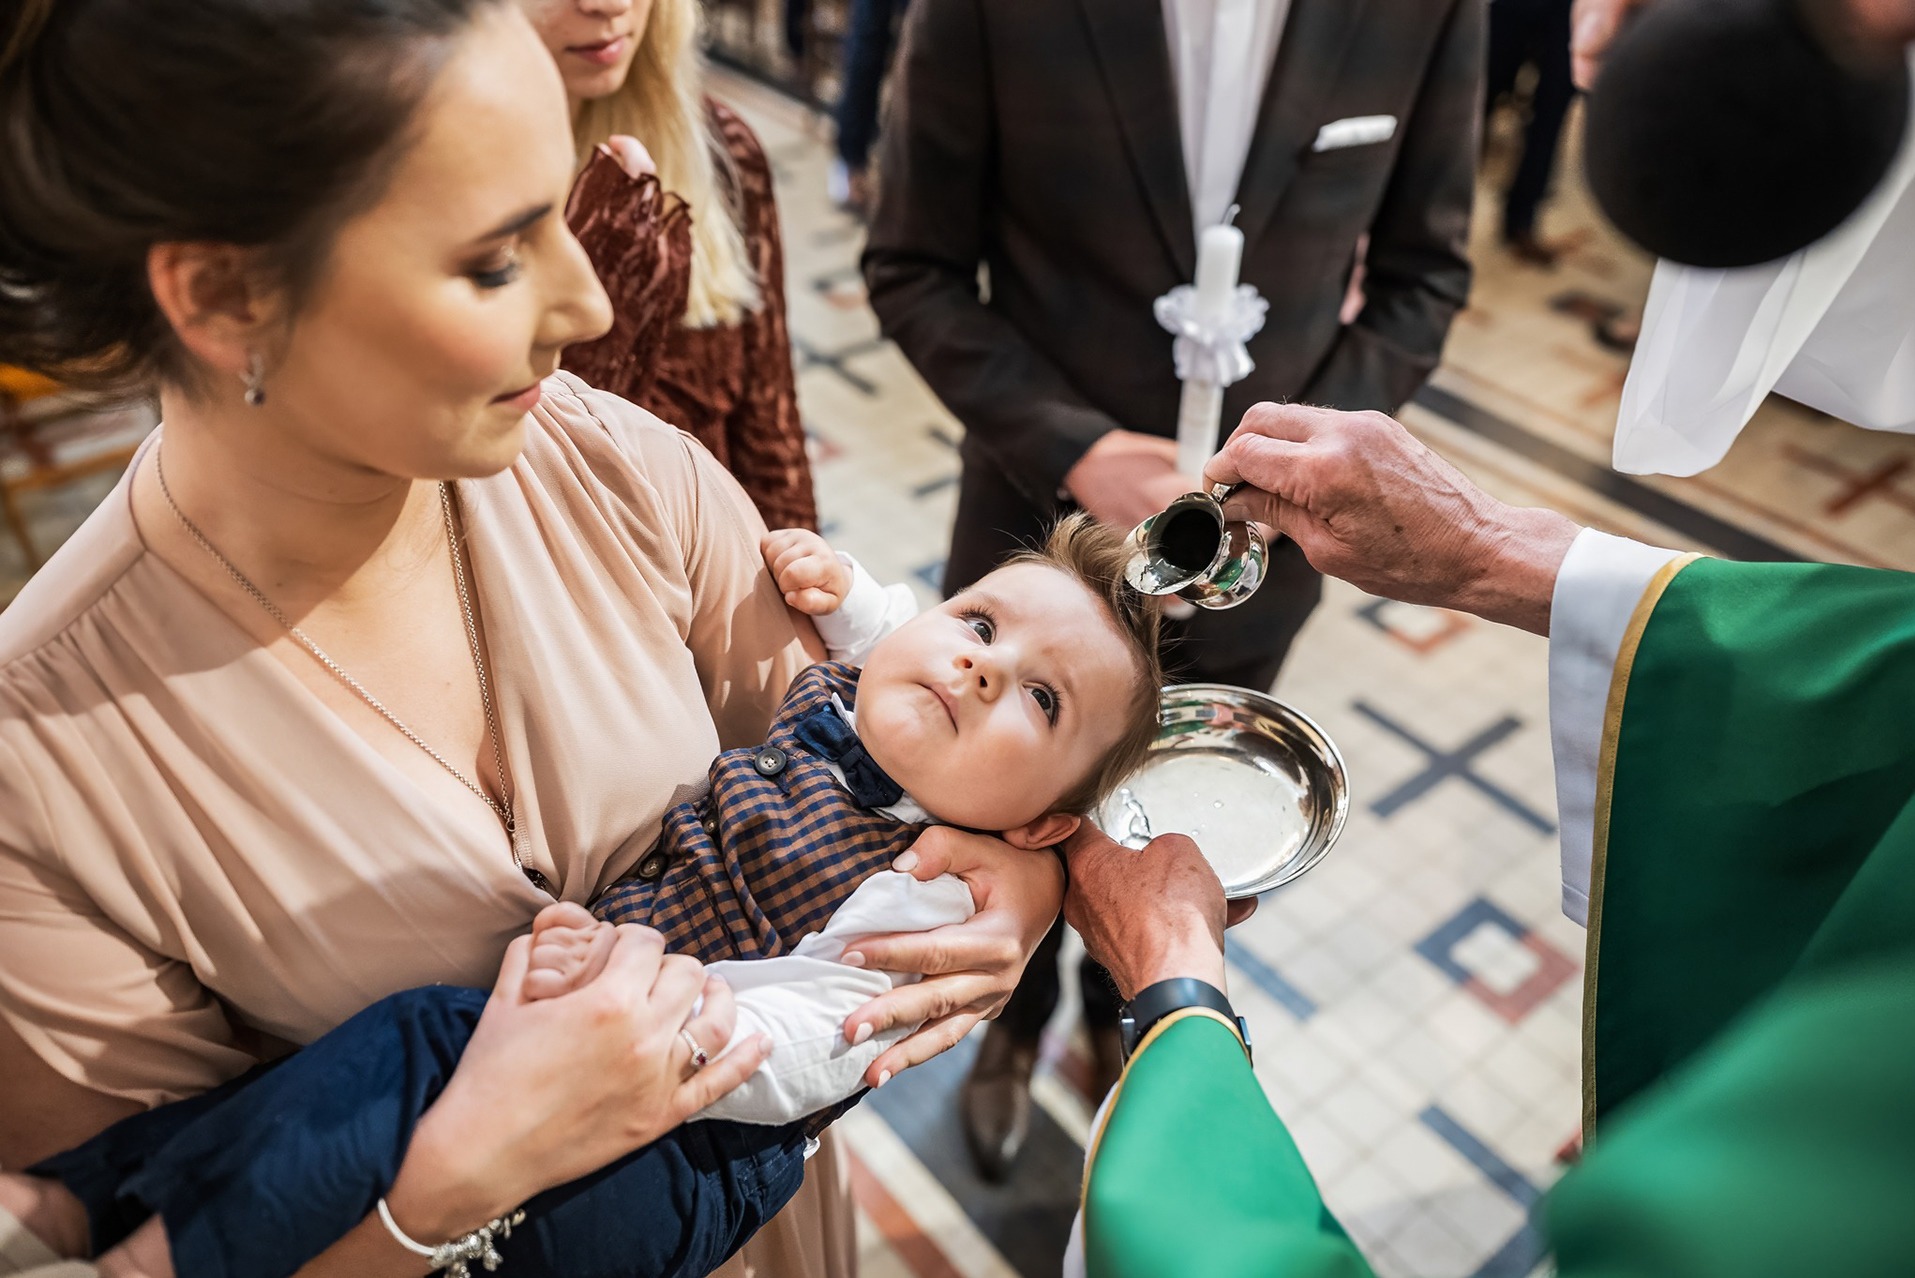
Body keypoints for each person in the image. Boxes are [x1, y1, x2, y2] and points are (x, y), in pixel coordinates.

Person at [0, 4, 1059, 1278]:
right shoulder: (39, 780)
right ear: (229, 296)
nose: (592, 303)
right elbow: (152, 1236)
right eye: (498, 259)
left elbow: (872, 755)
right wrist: (447, 1186)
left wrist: (1006, 883)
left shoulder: (612, 465)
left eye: (558, 206)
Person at [0, 515, 1162, 1278]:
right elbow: (904, 625)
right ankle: (82, 1204)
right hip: (589, 1051)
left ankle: (139, 1258)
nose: (979, 666)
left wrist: (636, 1009)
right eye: (978, 624)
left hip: (686, 1142)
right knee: (331, 1091)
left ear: (1042, 822)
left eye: (1040, 702)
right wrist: (851, 588)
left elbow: (817, 1035)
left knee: (413, 1047)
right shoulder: (868, 696)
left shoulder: (934, 892)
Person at [862, 0, 1485, 1180]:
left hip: (1260, 568)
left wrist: (1286, 469)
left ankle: (1128, 1027)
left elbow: (1423, 279)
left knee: (1179, 828)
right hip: (1032, 541)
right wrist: (1077, 447)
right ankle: (1014, 1030)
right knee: (1006, 803)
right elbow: (912, 267)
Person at [529, 0, 820, 531]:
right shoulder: (429, 186)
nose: (610, 5)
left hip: (722, 581)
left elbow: (770, 433)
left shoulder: (720, 149)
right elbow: (515, 495)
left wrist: (806, 599)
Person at [1485, 0, 1577, 267]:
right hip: (1509, 6)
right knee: (1473, 105)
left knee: (1550, 119)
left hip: (1568, 12)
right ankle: (1442, 217)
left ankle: (1521, 221)